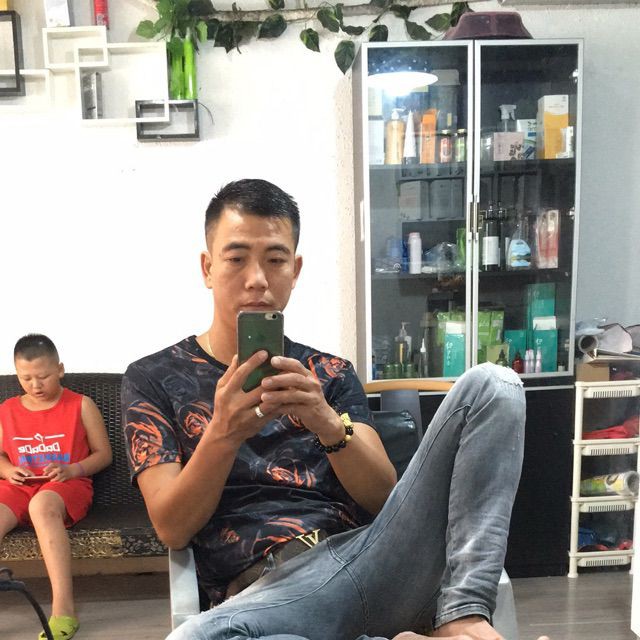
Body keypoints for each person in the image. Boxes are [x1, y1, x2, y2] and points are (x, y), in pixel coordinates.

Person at [122, 178, 544, 640]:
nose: (257, 278)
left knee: (495, 384)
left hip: (367, 559)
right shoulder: (153, 378)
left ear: (295, 269)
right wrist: (222, 432)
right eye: (237, 258)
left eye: (275, 259)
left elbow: (383, 498)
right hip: (267, 599)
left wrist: (327, 423)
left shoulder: (330, 373)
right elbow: (172, 528)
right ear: (208, 268)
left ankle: (464, 614)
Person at [0, 334, 113, 640]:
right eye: (26, 378)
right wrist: (8, 470)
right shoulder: (7, 410)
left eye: (43, 376)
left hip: (66, 484)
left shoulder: (80, 405)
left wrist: (73, 469)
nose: (35, 385)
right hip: (19, 487)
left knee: (42, 506)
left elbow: (104, 454)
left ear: (60, 369)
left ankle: (63, 610)